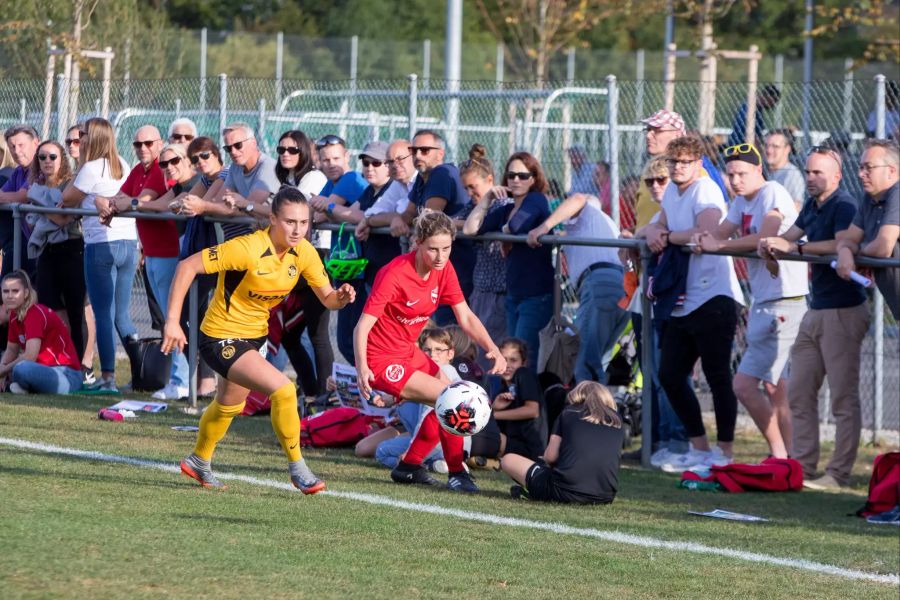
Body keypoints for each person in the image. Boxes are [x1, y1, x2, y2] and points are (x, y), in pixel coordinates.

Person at [162, 187, 357, 492]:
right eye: (290, 222)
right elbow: (187, 266)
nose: (297, 229)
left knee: (229, 405)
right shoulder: (247, 248)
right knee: (283, 390)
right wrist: (173, 322)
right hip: (220, 337)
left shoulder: (304, 252)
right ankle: (298, 468)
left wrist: (342, 297)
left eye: (304, 223)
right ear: (272, 219)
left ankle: (199, 460)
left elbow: (329, 299)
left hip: (255, 338)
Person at [353, 210, 506, 493]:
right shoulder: (394, 274)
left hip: (408, 352)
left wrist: (493, 349)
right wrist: (363, 367)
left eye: (446, 248)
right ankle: (457, 472)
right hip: (381, 359)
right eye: (433, 249)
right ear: (417, 243)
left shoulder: (444, 270)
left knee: (451, 398)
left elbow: (466, 317)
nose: (440, 256)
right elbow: (362, 327)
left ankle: (410, 466)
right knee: (451, 400)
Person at [759, 146, 867, 490]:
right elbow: (790, 237)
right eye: (807, 172)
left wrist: (796, 248)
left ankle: (839, 473)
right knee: (800, 391)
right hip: (816, 308)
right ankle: (803, 466)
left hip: (843, 309)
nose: (810, 178)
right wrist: (773, 243)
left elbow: (839, 244)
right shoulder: (813, 204)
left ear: (836, 175)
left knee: (842, 397)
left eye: (818, 172)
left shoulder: (844, 204)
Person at [691, 143, 809, 459]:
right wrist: (706, 238)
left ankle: (781, 456)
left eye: (742, 173)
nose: (735, 180)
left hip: (785, 300)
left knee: (745, 386)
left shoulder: (772, 192)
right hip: (765, 300)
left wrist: (716, 244)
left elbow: (764, 237)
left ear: (759, 171)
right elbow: (719, 232)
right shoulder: (740, 201)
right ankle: (787, 459)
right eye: (730, 174)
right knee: (774, 388)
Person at [638, 136, 744, 472]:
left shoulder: (706, 190)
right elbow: (661, 223)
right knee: (670, 374)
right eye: (673, 162)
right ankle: (700, 448)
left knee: (717, 376)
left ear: (698, 162)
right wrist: (653, 231)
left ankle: (724, 452)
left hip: (714, 296)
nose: (677, 168)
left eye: (684, 162)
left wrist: (666, 237)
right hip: (684, 300)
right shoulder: (673, 190)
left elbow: (706, 233)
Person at [101, 127, 184, 397]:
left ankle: (181, 381)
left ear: (159, 143)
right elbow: (121, 198)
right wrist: (114, 203)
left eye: (148, 143)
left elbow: (140, 201)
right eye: (137, 143)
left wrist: (124, 203)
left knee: (175, 317)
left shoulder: (161, 169)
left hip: (170, 253)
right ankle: (176, 379)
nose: (142, 148)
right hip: (152, 253)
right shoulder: (138, 169)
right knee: (167, 318)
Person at [61, 117, 138, 394]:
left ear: (93, 139)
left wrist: (88, 195)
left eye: (82, 135)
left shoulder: (90, 168)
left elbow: (67, 199)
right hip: (128, 243)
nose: (78, 140)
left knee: (103, 314)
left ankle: (107, 378)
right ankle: (139, 373)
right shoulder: (123, 164)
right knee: (122, 316)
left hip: (101, 245)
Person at [527, 188, 628, 384]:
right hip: (615, 286)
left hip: (600, 283)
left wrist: (543, 227)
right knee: (597, 361)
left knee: (585, 365)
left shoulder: (587, 210)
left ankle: (592, 413)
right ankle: (599, 410)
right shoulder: (599, 224)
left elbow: (578, 198)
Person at [466, 151, 553, 371]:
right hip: (514, 294)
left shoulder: (536, 199)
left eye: (523, 176)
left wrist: (505, 233)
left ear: (533, 178)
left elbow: (516, 226)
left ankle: (530, 404)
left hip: (536, 295)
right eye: (511, 175)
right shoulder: (505, 208)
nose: (515, 180)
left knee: (522, 358)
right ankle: (510, 401)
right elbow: (470, 229)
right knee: (509, 356)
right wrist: (487, 200)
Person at [390, 130, 476, 322]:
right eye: (414, 150)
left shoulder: (441, 173)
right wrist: (398, 219)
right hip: (440, 265)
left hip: (458, 266)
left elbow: (428, 219)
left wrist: (408, 223)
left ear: (440, 153)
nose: (418, 155)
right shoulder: (423, 176)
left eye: (425, 150)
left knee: (452, 332)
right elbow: (410, 213)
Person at [501, 381, 623, 504]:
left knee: (508, 459)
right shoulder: (617, 420)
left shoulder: (569, 413)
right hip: (605, 496)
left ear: (577, 395)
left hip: (563, 490)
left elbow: (550, 457)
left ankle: (533, 492)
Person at [24, 141, 86, 364]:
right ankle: (57, 359)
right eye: (42, 157)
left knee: (75, 312)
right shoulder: (36, 187)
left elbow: (63, 219)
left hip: (72, 250)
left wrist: (39, 203)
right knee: (49, 308)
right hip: (46, 251)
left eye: (52, 156)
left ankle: (79, 365)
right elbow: (34, 222)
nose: (47, 161)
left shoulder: (71, 186)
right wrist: (41, 202)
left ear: (62, 159)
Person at [308, 134, 368, 364]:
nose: (331, 164)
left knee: (351, 339)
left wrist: (326, 209)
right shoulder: (331, 182)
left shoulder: (351, 178)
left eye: (335, 158)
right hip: (345, 269)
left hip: (359, 269)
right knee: (346, 340)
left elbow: (320, 211)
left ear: (347, 156)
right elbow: (313, 210)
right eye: (325, 160)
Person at [367, 327, 458, 472]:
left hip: (443, 442)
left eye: (438, 350)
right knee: (381, 448)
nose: (433, 355)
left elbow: (428, 417)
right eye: (427, 350)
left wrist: (411, 453)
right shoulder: (425, 374)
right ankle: (435, 464)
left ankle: (428, 462)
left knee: (383, 451)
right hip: (450, 444)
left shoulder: (444, 372)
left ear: (450, 353)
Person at [836, 139, 900, 319]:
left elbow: (883, 247)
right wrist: (846, 252)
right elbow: (848, 240)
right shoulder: (870, 198)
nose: (860, 173)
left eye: (868, 168)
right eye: (860, 167)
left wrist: (857, 256)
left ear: (891, 171)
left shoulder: (898, 193)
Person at [459, 144, 508, 364]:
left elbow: (472, 228)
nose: (470, 194)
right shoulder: (474, 206)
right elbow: (458, 222)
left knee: (491, 352)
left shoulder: (501, 203)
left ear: (489, 180)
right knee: (476, 353)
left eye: (473, 187)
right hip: (481, 290)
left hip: (499, 290)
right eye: (466, 189)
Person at [0, 270, 83, 394]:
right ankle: (21, 387)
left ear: (26, 293)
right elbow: (11, 349)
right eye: (6, 291)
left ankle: (21, 386)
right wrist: (2, 370)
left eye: (15, 291)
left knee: (21, 369)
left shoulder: (34, 314)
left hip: (67, 375)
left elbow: (30, 356)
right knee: (16, 367)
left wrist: (3, 370)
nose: (10, 296)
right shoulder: (14, 315)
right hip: (44, 371)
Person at [491, 337, 547, 461]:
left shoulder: (524, 374)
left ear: (524, 362)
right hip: (510, 444)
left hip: (529, 449)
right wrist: (494, 407)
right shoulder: (502, 390)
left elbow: (532, 410)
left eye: (513, 360)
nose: (508, 365)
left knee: (485, 436)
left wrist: (494, 414)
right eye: (504, 360)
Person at [0, 125, 40, 278]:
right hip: (30, 242)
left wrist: (8, 197)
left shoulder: (41, 165)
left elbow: (22, 196)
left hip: (49, 246)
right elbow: (4, 193)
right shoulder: (19, 171)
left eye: (21, 145)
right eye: (12, 147)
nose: (16, 151)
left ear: (35, 143)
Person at [765, 129, 805, 208]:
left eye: (775, 146)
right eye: (767, 145)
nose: (769, 150)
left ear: (787, 149)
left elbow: (796, 207)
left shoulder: (791, 174)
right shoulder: (769, 171)